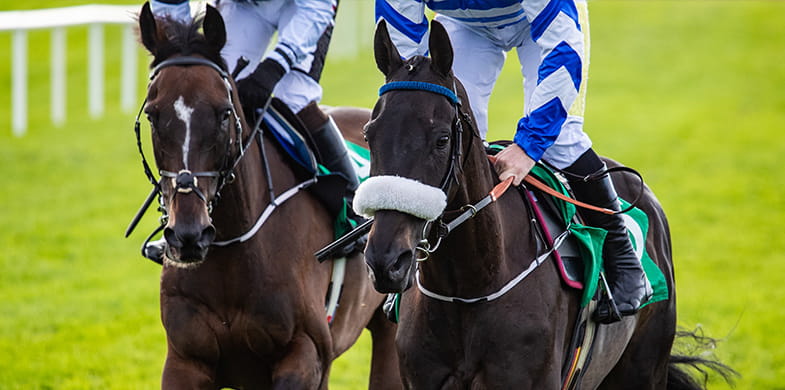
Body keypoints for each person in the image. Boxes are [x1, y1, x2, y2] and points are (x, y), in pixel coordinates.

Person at [376, 0, 651, 323]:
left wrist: (529, 146)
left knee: (559, 141)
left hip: (545, 26)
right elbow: (403, 51)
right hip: (464, 25)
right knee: (443, 133)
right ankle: (422, 261)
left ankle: (625, 262)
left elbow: (562, 52)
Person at [143, 0, 360, 261]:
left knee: (292, 97)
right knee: (213, 96)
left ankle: (353, 210)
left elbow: (316, 7)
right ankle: (183, 218)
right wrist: (176, 52)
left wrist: (275, 66)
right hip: (244, 7)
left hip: (305, 7)